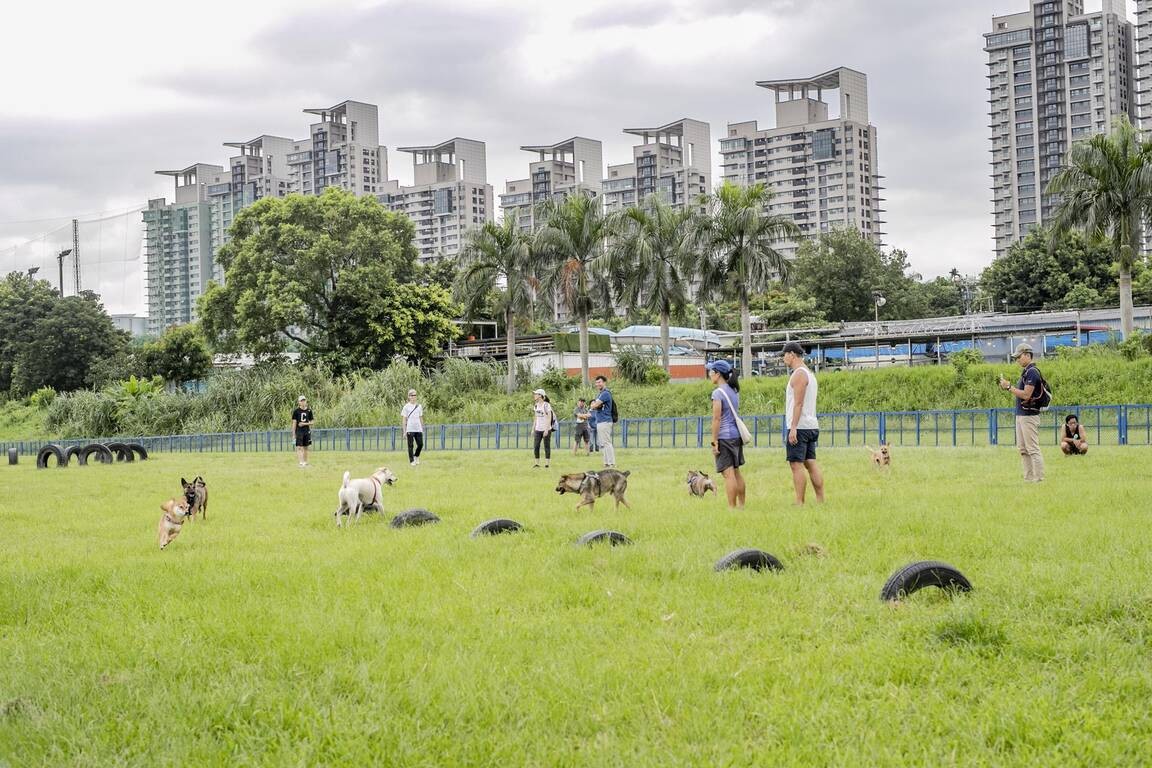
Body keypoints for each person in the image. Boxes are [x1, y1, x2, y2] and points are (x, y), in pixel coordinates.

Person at [782, 341, 824, 505]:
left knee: (796, 464)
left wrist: (793, 427)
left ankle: (799, 501)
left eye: (784, 355)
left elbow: (798, 403)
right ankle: (820, 499)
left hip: (800, 426)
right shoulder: (810, 374)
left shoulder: (799, 374)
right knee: (810, 463)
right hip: (811, 424)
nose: (783, 358)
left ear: (791, 354)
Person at [999, 343, 1045, 482]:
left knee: (1032, 449)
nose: (1017, 360)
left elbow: (1026, 395)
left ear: (1027, 355)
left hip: (1028, 416)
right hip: (1021, 415)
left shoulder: (1032, 372)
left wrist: (1008, 387)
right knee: (1023, 449)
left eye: (1018, 357)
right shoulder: (1026, 371)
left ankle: (1039, 479)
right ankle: (1028, 478)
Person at [706, 359, 746, 509]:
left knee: (728, 474)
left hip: (724, 436)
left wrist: (714, 441)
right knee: (736, 472)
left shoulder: (718, 393)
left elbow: (717, 418)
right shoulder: (734, 391)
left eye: (711, 371)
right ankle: (741, 505)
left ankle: (732, 508)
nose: (709, 374)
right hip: (736, 436)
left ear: (717, 374)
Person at [589, 374, 616, 468]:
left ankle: (611, 462)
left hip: (605, 420)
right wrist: (595, 405)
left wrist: (594, 405)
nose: (598, 384)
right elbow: (595, 405)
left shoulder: (605, 393)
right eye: (596, 383)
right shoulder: (600, 394)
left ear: (604, 382)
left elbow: (594, 405)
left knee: (607, 442)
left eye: (599, 382)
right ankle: (606, 462)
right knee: (603, 443)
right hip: (601, 421)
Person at [531, 388, 554, 468]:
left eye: (536, 394)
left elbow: (549, 417)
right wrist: (533, 428)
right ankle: (537, 463)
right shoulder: (536, 405)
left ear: (540, 395)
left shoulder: (546, 405)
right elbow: (535, 417)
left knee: (546, 446)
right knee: (536, 446)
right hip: (538, 429)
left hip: (546, 429)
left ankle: (547, 464)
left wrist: (546, 429)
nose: (534, 395)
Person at [401, 388, 425, 466]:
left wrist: (422, 427)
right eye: (412, 395)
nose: (413, 397)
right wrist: (404, 431)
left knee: (420, 444)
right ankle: (412, 461)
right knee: (410, 445)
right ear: (409, 397)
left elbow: (421, 417)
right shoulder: (406, 407)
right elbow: (404, 420)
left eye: (415, 395)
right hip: (410, 429)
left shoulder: (419, 406)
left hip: (418, 428)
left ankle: (416, 456)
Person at [291, 395, 314, 467]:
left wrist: (304, 424)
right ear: (299, 402)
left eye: (304, 400)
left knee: (306, 447)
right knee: (299, 447)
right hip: (299, 431)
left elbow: (312, 422)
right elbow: (294, 423)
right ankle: (301, 462)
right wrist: (293, 434)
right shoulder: (296, 411)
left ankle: (305, 462)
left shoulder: (309, 411)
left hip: (306, 431)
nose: (303, 402)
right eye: (301, 401)